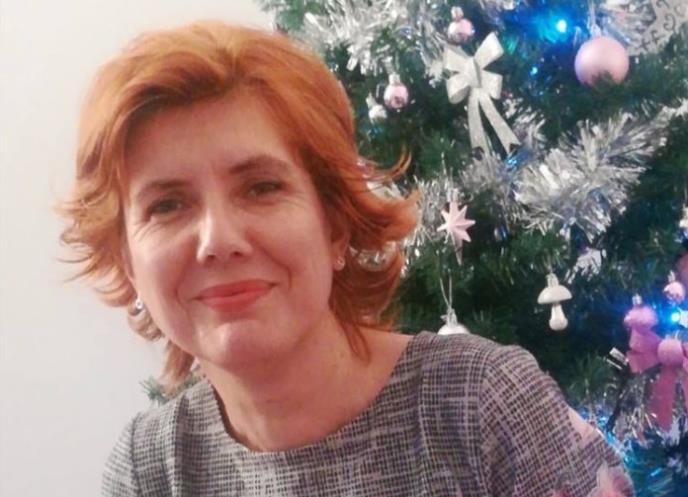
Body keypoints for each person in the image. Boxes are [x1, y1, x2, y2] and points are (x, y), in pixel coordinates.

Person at [58, 21, 634, 497]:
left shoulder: (487, 406)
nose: (217, 239)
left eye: (261, 187)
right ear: (127, 260)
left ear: (335, 226)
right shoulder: (148, 468)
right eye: (166, 205)